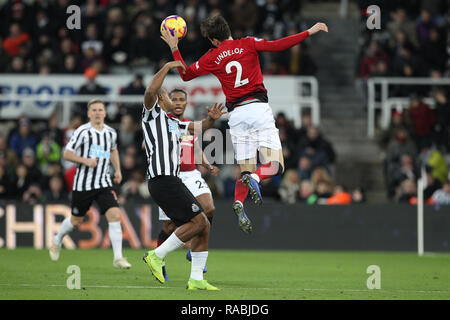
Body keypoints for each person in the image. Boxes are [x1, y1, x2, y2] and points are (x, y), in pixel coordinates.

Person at [161, 14, 328, 233]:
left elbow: (185, 75)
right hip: (258, 109)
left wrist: (175, 48)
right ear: (228, 30)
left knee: (245, 170)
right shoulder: (248, 43)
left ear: (213, 40)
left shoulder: (212, 56)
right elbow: (278, 45)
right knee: (276, 165)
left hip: (237, 116)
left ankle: (239, 202)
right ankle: (256, 179)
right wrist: (309, 31)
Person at [141, 60, 226, 290]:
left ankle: (196, 278)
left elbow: (198, 128)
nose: (174, 101)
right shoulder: (151, 115)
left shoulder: (172, 123)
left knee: (203, 225)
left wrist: (212, 120)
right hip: (163, 179)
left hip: (172, 180)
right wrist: (168, 67)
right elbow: (150, 90)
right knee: (197, 221)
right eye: (169, 96)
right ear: (161, 100)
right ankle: (156, 256)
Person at [49, 99, 131, 270]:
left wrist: (118, 170)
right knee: (76, 221)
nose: (97, 112)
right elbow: (67, 154)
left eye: (100, 109)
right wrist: (85, 160)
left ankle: (118, 258)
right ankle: (57, 240)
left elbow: (113, 150)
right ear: (88, 114)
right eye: (94, 110)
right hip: (83, 185)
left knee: (115, 214)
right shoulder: (82, 132)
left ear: (105, 113)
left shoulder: (110, 133)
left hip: (103, 183)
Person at [156, 88, 219, 281]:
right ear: (167, 102)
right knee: (169, 228)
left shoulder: (188, 126)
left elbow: (195, 147)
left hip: (191, 174)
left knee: (208, 209)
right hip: (170, 177)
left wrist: (206, 164)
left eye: (181, 99)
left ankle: (194, 251)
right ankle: (160, 259)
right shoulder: (161, 123)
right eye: (173, 99)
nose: (177, 102)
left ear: (186, 103)